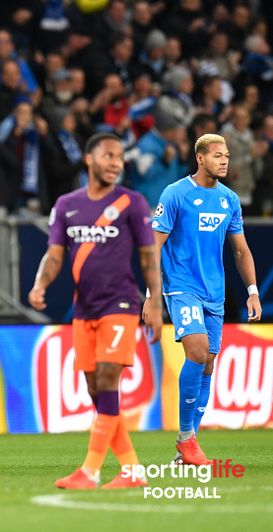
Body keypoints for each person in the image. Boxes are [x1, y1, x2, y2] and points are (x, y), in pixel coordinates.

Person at [28, 132, 162, 490]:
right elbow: (55, 255)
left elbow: (149, 256)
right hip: (83, 310)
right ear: (89, 159)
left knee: (106, 380)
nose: (116, 162)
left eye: (120, 157)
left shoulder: (132, 203)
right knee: (96, 391)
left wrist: (154, 301)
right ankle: (132, 469)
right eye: (108, 155)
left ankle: (89, 471)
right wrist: (41, 285)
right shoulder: (67, 204)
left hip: (120, 304)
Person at [149, 134, 262, 465]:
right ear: (200, 158)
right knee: (197, 351)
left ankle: (188, 448)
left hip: (215, 292)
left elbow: (240, 250)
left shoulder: (229, 200)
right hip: (181, 287)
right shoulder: (175, 194)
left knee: (208, 364)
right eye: (217, 155)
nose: (224, 161)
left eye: (226, 155)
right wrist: (151, 295)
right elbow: (153, 247)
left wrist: (252, 291)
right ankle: (186, 438)